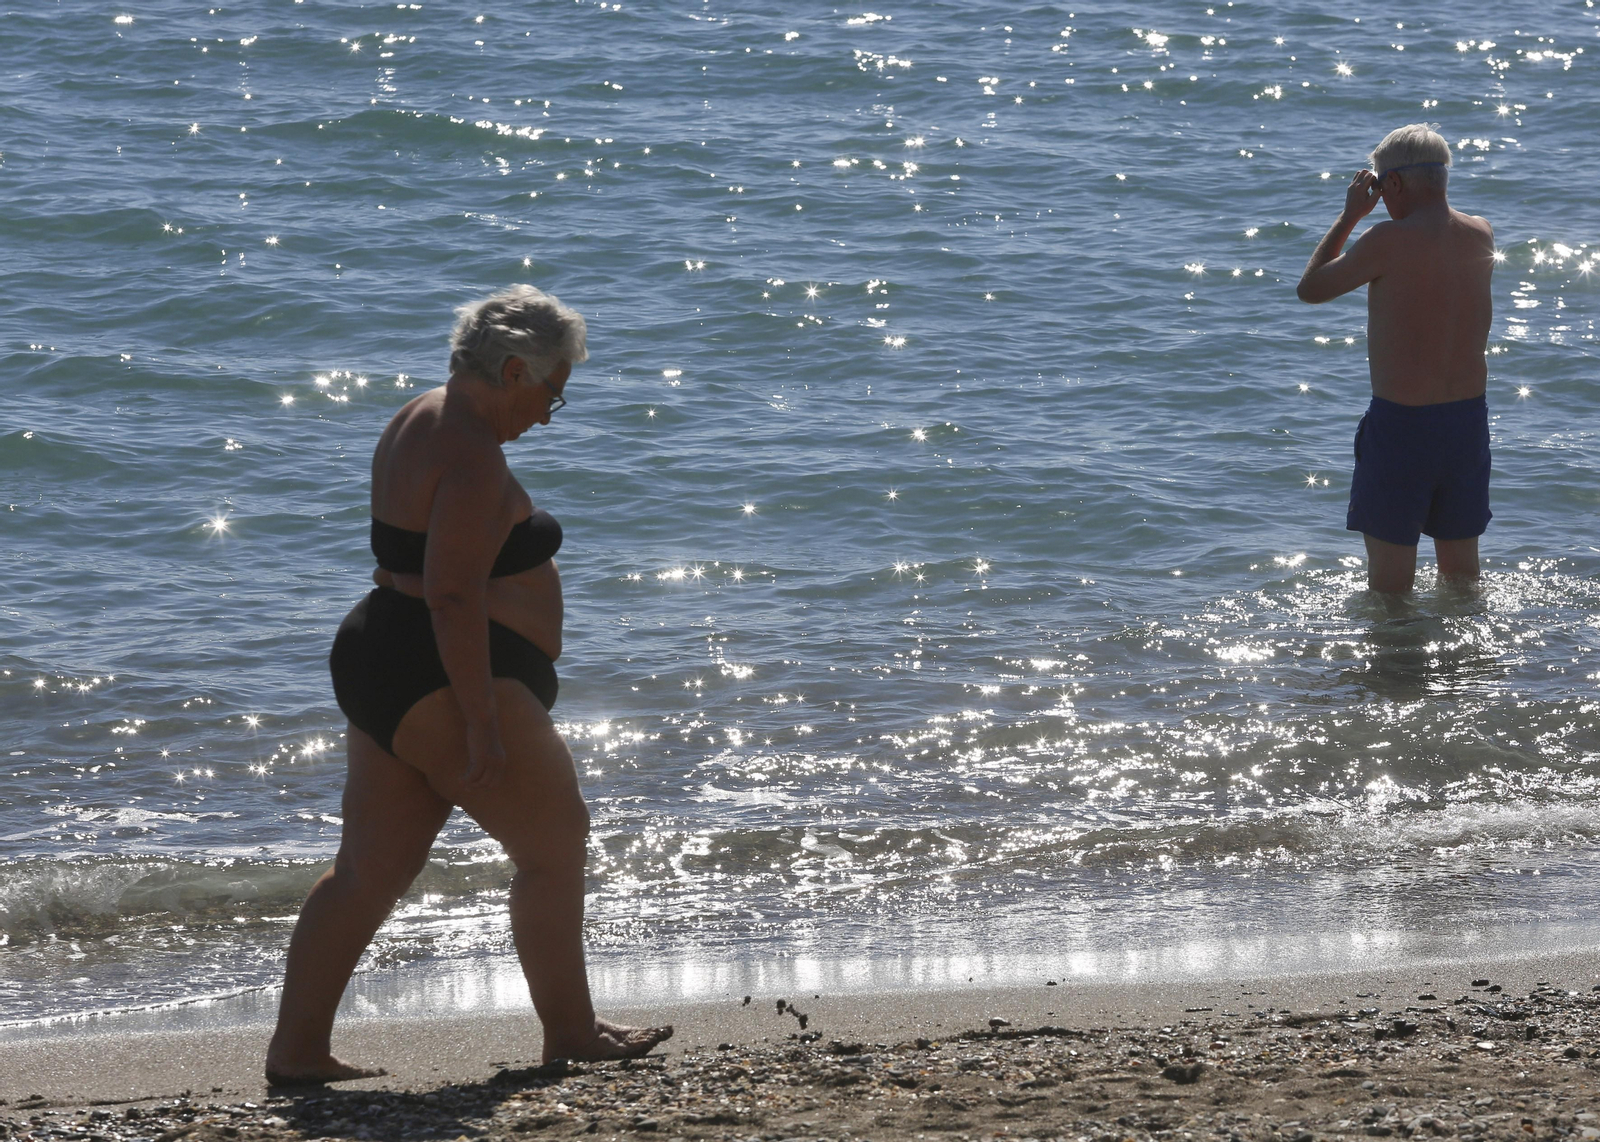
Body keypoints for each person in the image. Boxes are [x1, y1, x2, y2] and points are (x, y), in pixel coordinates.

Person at [265, 285, 673, 1085]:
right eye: (553, 390)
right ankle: (572, 1032)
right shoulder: (472, 456)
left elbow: (423, 574)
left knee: (367, 872)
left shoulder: (420, 415)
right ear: (516, 369)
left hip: (385, 653)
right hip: (445, 672)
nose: (553, 411)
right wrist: (482, 723)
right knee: (556, 847)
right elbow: (451, 595)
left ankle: (297, 1050)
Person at [1296, 123, 1496, 593]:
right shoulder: (1480, 233)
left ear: (1396, 184)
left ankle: (1395, 669)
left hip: (1403, 428)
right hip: (1467, 425)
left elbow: (1311, 289)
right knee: (1463, 578)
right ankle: (1467, 664)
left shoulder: (1387, 239)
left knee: (1390, 590)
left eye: (1379, 188)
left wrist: (1350, 215)